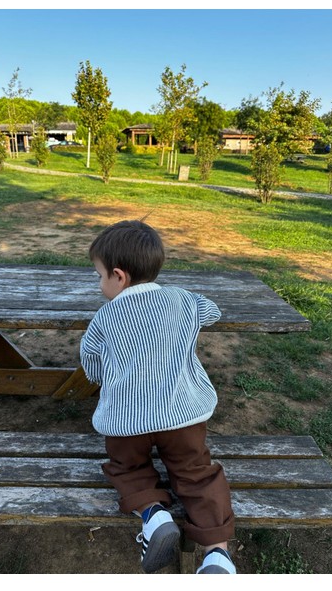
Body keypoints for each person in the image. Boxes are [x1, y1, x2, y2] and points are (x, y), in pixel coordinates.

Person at [80, 219, 236, 575]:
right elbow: (211, 310)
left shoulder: (104, 319)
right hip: (182, 415)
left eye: (99, 275)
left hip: (126, 423)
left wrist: (112, 378)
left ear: (118, 276)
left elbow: (91, 364)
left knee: (127, 467)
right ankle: (217, 554)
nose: (98, 282)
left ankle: (153, 514)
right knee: (197, 473)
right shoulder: (181, 299)